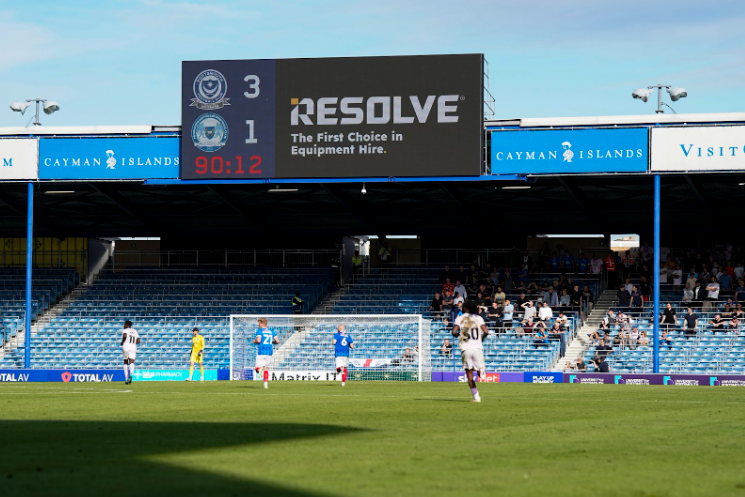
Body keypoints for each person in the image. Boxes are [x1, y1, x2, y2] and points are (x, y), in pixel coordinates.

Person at [452, 302, 490, 403]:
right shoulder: (478, 318)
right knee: (479, 369)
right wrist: (481, 339)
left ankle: (477, 397)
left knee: (469, 374)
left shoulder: (460, 318)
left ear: (464, 308)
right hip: (477, 348)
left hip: (465, 348)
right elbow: (486, 332)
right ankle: (481, 370)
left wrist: (458, 336)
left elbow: (453, 332)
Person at [254, 317, 279, 389]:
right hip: (269, 351)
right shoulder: (271, 331)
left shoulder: (259, 331)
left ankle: (259, 369)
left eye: (259, 323)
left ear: (262, 323)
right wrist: (272, 342)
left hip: (261, 350)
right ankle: (265, 384)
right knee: (266, 368)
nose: (258, 324)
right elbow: (277, 341)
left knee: (257, 368)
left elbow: (258, 340)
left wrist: (254, 341)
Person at [120, 320, 140, 385]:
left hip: (126, 347)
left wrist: (122, 342)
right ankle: (131, 374)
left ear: (127, 325)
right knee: (132, 361)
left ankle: (126, 379)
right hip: (133, 347)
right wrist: (133, 343)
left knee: (125, 362)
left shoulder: (125, 330)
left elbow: (125, 336)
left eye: (124, 324)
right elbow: (138, 341)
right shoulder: (135, 331)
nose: (123, 326)